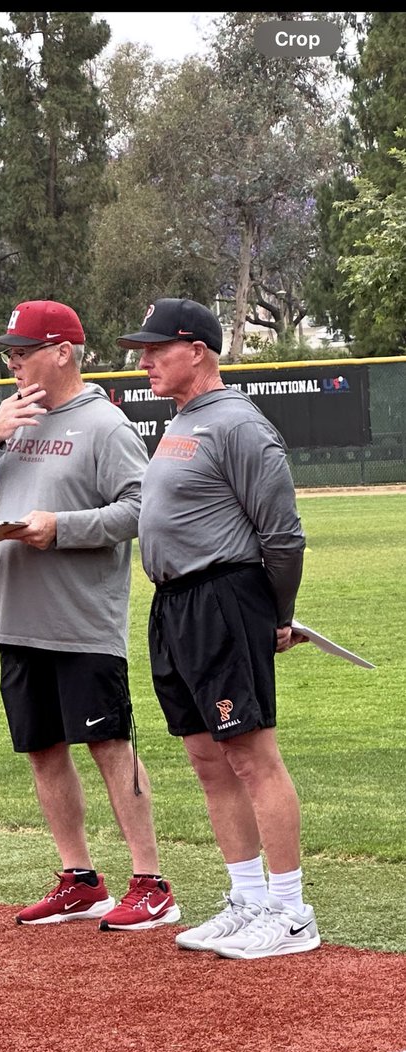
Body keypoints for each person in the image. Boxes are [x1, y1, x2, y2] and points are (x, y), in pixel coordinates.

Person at [0, 299, 179, 932]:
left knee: (109, 745)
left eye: (23, 351)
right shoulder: (12, 420)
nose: (13, 362)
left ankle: (151, 882)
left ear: (63, 353)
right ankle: (80, 878)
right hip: (16, 617)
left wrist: (63, 529)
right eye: (9, 353)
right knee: (43, 749)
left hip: (83, 620)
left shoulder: (106, 425)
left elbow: (140, 510)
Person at [117, 297, 320, 960]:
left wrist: (277, 615)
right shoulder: (182, 422)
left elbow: (283, 537)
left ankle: (290, 913)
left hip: (224, 600)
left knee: (251, 757)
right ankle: (246, 898)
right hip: (175, 605)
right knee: (208, 759)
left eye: (156, 349)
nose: (143, 359)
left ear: (196, 350)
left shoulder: (237, 424)